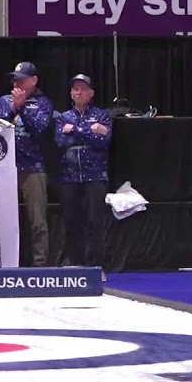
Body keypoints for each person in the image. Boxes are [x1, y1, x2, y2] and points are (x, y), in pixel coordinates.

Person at [0, 62, 55, 267]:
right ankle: (6, 262)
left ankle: (40, 264)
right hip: (6, 168)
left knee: (37, 220)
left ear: (33, 81)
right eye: (14, 79)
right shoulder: (4, 101)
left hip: (33, 167)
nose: (16, 83)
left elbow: (40, 130)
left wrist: (22, 108)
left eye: (21, 79)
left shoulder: (43, 104)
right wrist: (13, 108)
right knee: (5, 219)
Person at [55, 74, 113, 272]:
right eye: (75, 89)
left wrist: (74, 131)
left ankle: (96, 266)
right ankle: (74, 262)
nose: (79, 93)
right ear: (71, 93)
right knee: (72, 220)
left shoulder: (102, 116)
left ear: (91, 93)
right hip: (69, 176)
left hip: (95, 175)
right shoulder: (63, 117)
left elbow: (103, 142)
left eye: (83, 89)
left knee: (95, 221)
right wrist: (90, 131)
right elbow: (60, 142)